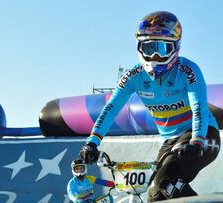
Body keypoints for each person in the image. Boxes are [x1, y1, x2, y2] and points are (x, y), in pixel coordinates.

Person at [79, 11, 221, 202]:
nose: (154, 56)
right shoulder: (133, 76)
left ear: (175, 48)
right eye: (149, 48)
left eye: (162, 49)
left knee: (163, 183)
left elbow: (199, 109)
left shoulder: (188, 71)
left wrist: (196, 141)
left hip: (202, 134)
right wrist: (91, 143)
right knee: (155, 196)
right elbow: (111, 108)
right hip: (170, 141)